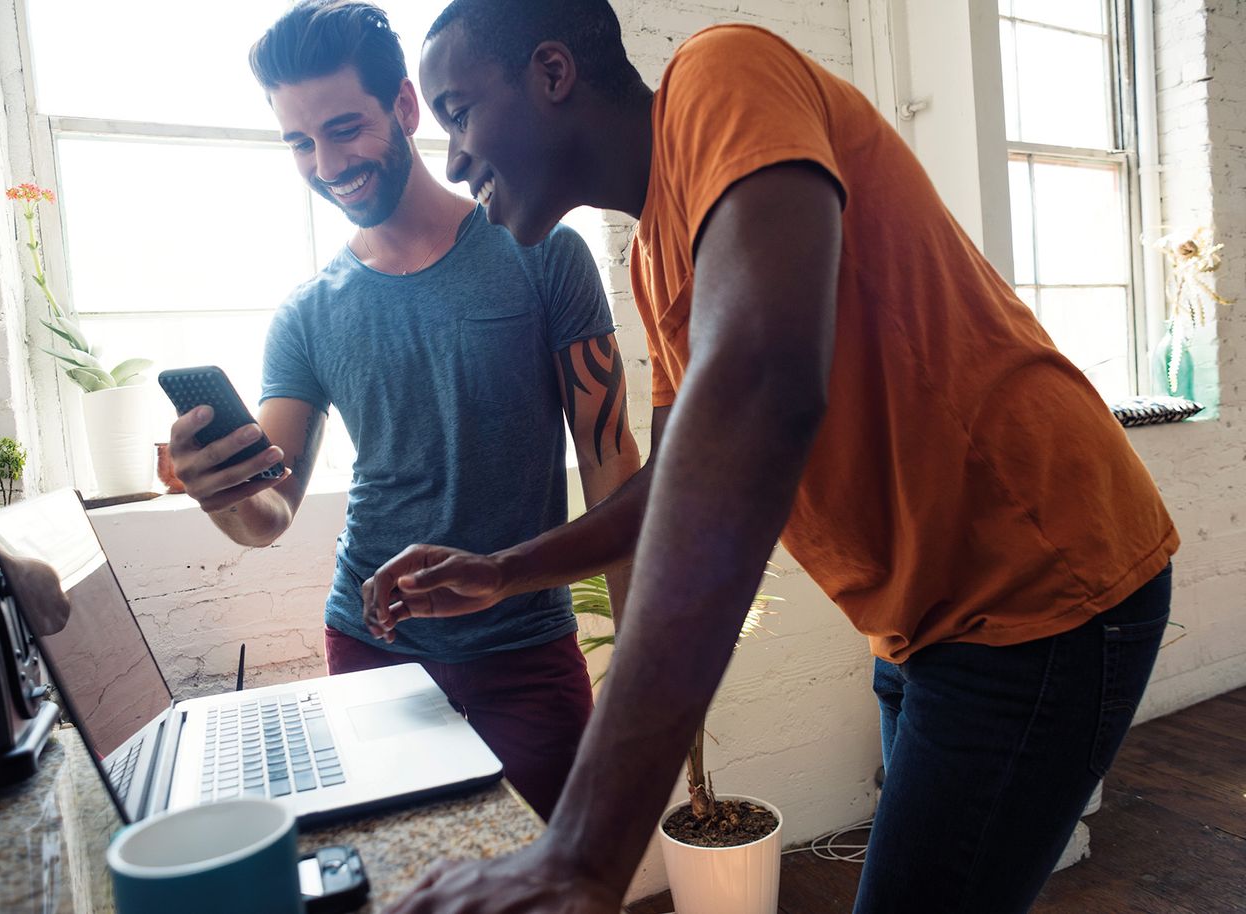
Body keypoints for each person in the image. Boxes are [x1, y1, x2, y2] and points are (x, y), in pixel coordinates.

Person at [364, 1, 1180, 912]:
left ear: (553, 74)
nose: (454, 158)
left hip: (1040, 581)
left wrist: (582, 852)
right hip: (924, 618)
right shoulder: (655, 255)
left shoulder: (722, 73)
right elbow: (677, 479)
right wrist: (507, 570)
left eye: (459, 112)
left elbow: (758, 390)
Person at [166, 0, 640, 822]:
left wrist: (645, 655)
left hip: (526, 651)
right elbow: (268, 513)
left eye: (345, 128)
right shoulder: (307, 312)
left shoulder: (541, 252)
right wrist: (220, 491)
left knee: (564, 883)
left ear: (406, 108)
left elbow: (609, 465)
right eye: (300, 143)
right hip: (370, 651)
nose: (326, 161)